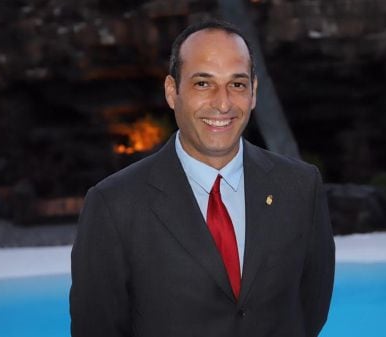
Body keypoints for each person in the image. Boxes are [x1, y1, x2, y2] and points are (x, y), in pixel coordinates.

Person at [70, 19, 335, 337]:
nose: (223, 103)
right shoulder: (114, 204)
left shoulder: (301, 188)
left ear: (253, 93)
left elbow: (310, 312)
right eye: (203, 83)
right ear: (172, 91)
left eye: (236, 84)